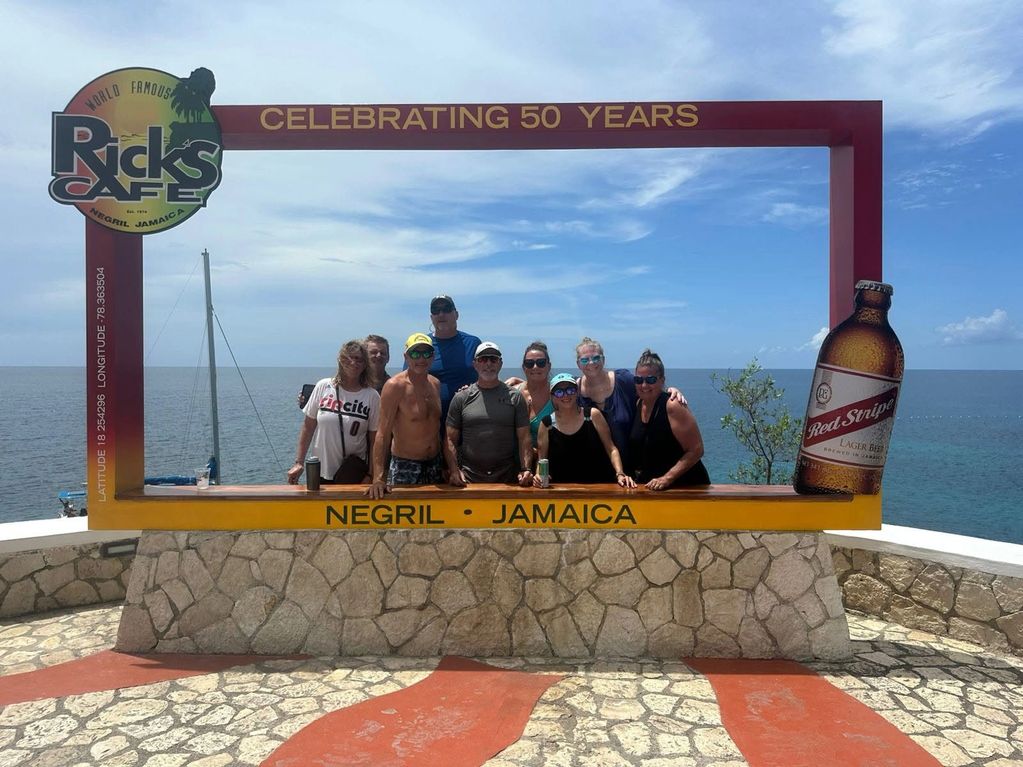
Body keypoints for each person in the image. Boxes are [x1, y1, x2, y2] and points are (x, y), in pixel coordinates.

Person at [575, 336, 686, 465]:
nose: (591, 363)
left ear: (603, 360)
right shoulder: (573, 391)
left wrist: (669, 390)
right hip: (595, 471)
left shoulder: (623, 380)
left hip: (632, 469)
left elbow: (647, 387)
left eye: (595, 358)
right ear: (578, 364)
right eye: (584, 360)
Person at [287, 340, 380, 485]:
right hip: (320, 471)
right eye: (349, 357)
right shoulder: (323, 386)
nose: (354, 363)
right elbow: (308, 427)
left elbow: (375, 440)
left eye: (359, 359)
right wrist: (299, 462)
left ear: (365, 365)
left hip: (353, 473)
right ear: (340, 359)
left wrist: (371, 474)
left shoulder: (371, 396)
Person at [365, 333, 444, 499]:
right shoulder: (395, 386)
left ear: (432, 356)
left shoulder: (435, 384)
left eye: (426, 353)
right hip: (405, 465)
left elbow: (437, 429)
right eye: (415, 353)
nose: (421, 359)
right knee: (405, 523)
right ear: (406, 357)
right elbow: (382, 434)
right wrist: (378, 479)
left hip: (435, 464)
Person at [445, 341, 533, 487]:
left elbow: (524, 437)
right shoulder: (461, 397)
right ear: (475, 364)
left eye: (493, 359)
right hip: (469, 480)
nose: (488, 364)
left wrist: (526, 469)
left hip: (508, 480)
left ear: (500, 363)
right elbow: (450, 439)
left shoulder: (515, 397)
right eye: (483, 359)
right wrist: (454, 470)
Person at [535, 373, 636, 488]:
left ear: (577, 392)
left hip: (598, 488)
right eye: (559, 392)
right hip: (561, 492)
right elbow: (542, 459)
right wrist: (538, 475)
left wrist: (620, 473)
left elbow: (611, 449)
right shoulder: (546, 424)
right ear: (552, 396)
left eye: (570, 390)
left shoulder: (593, 415)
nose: (566, 395)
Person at [628, 349, 710, 489]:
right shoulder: (639, 403)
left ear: (662, 380)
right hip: (655, 488)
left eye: (651, 379)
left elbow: (696, 449)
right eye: (638, 380)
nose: (644, 385)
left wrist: (667, 478)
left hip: (686, 488)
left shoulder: (672, 406)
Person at [424, 295, 482, 425]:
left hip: (467, 419)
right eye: (436, 310)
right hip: (429, 420)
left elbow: (488, 374)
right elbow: (407, 380)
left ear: (456, 314)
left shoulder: (473, 343)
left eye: (446, 309)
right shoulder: (422, 345)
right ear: (431, 317)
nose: (441, 314)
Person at [297, 332, 390, 408]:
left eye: (383, 353)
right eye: (373, 352)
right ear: (364, 356)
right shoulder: (342, 384)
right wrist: (312, 400)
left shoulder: (394, 387)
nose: (378, 355)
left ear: (388, 358)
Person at [516, 341, 555, 448]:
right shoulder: (512, 393)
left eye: (541, 362)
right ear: (524, 367)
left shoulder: (559, 394)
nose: (535, 367)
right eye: (529, 363)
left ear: (549, 366)